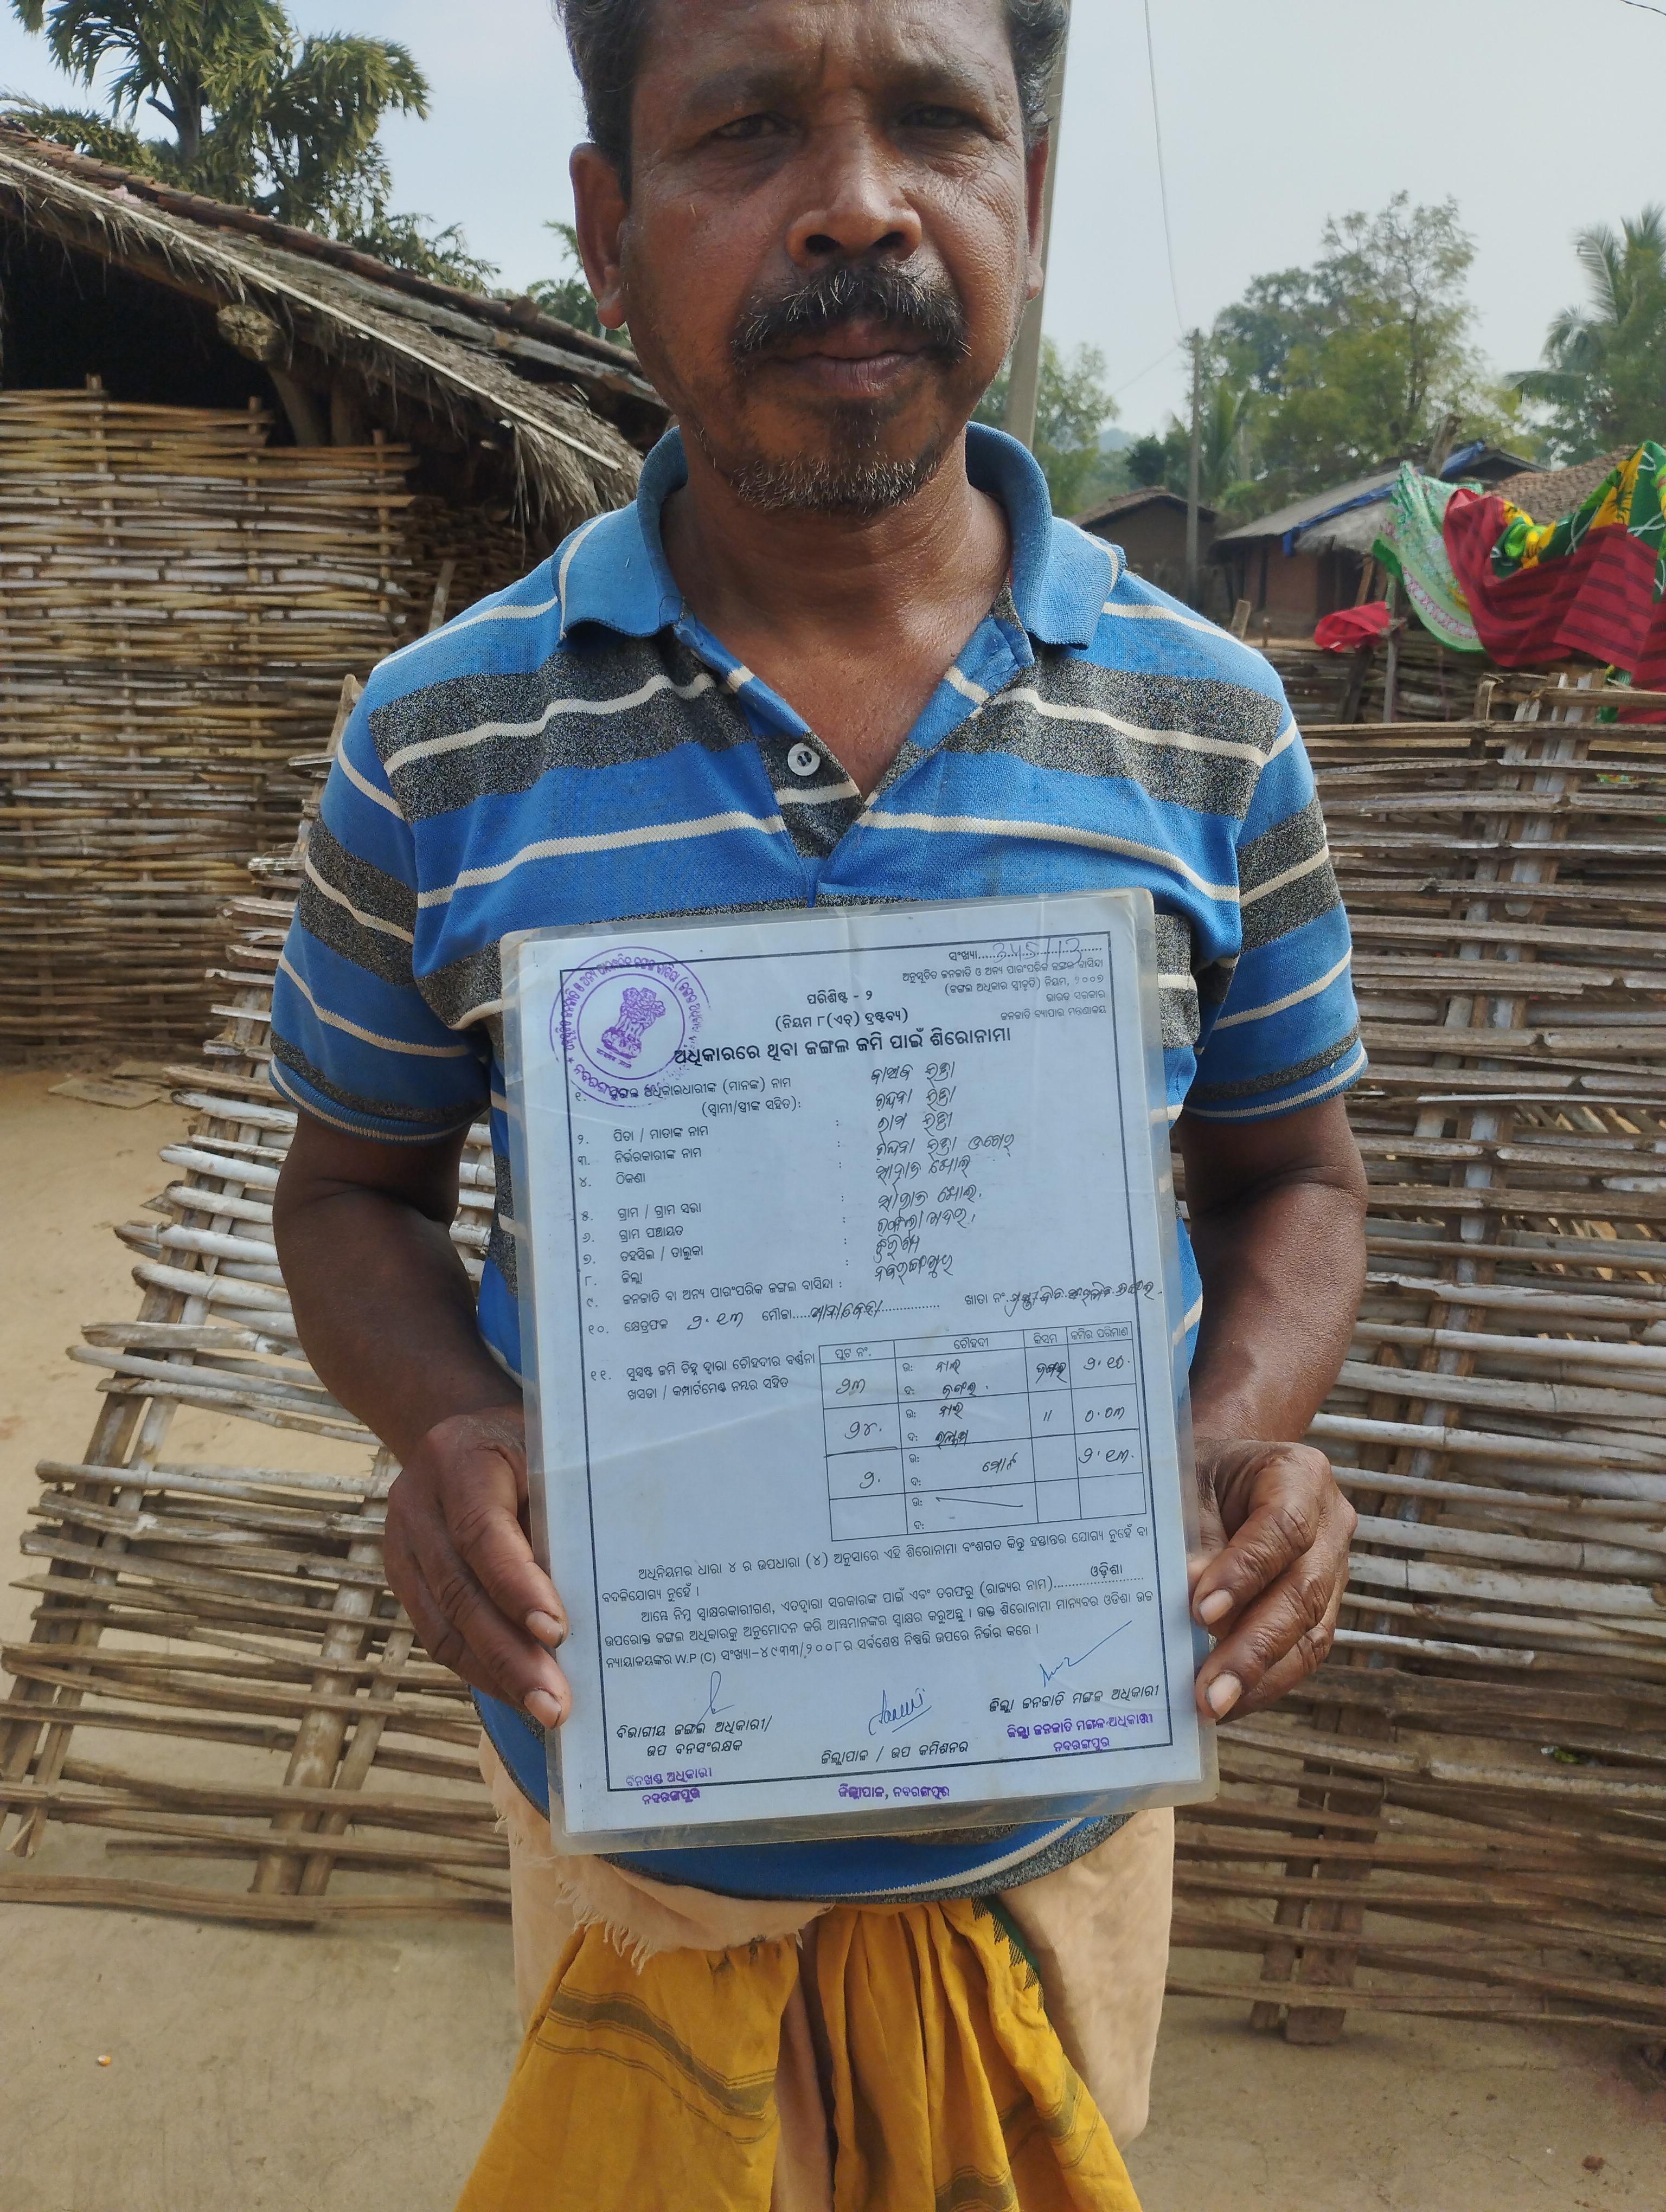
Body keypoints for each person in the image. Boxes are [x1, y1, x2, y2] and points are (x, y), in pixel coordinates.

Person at [271, 2, 1367, 2204]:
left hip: (1059, 1850)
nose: (859, 206)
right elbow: (350, 1196)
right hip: (639, 1859)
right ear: (607, 228)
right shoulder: (441, 742)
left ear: (1027, 194)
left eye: (939, 123)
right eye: (749, 130)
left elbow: (1295, 1178)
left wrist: (1231, 1433)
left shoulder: (1212, 723)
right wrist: (449, 1423)